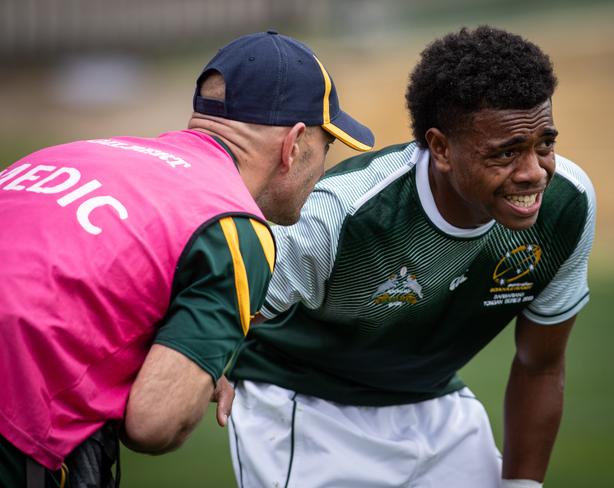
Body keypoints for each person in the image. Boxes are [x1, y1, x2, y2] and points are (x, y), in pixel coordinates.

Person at [225, 26, 596, 488]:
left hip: (436, 405)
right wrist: (213, 359)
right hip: (305, 410)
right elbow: (223, 302)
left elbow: (540, 364)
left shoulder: (567, 206)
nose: (533, 172)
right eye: (506, 153)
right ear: (441, 148)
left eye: (544, 144)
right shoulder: (343, 212)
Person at [0, 30, 374, 487]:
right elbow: (155, 424)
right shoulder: (235, 228)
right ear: (293, 145)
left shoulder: (72, 152)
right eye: (326, 146)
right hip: (17, 428)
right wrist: (200, 370)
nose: (323, 167)